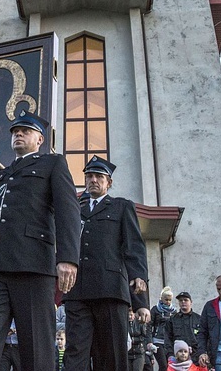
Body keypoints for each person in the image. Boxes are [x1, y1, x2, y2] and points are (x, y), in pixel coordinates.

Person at [0, 111, 81, 371]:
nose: (18, 134)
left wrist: (68, 258)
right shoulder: (3, 174)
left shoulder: (52, 164)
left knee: (36, 345)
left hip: (33, 265)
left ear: (39, 139)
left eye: (24, 130)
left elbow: (68, 211)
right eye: (15, 131)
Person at [63, 155, 149, 371]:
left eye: (98, 176)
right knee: (75, 353)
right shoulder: (75, 208)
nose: (93, 180)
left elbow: (134, 248)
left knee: (112, 353)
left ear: (108, 182)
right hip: (78, 291)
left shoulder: (121, 207)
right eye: (89, 176)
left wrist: (140, 302)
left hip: (110, 290)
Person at [164, 292, 200, 361]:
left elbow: (203, 338)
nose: (183, 302)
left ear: (191, 302)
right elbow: (167, 338)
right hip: (178, 357)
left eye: (185, 300)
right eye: (181, 300)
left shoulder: (199, 319)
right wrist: (170, 355)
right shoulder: (172, 319)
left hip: (195, 357)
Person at [150, 286, 177, 370]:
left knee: (169, 366)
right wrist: (149, 341)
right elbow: (149, 325)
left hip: (169, 342)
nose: (168, 302)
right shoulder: (155, 309)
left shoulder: (174, 311)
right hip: (157, 340)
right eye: (166, 299)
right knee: (163, 365)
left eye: (170, 300)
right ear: (161, 298)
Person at [128, 306, 154, 371]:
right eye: (127, 315)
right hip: (128, 354)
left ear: (134, 314)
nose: (129, 317)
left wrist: (151, 356)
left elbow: (146, 339)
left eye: (131, 315)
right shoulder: (124, 324)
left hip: (139, 353)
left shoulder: (140, 324)